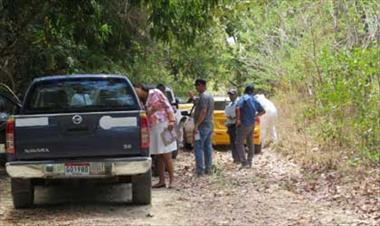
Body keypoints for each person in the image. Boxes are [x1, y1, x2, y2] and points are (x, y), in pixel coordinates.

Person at [134, 84, 177, 188]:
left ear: (140, 87)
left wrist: (172, 120)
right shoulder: (140, 101)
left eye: (136, 89)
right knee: (158, 155)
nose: (135, 92)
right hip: (153, 128)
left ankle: (172, 180)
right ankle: (162, 181)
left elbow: (168, 106)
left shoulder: (155, 93)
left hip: (165, 126)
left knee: (167, 155)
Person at [235, 84, 265, 169]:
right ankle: (250, 161)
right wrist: (255, 116)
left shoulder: (243, 98)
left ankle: (244, 162)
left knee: (238, 142)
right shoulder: (254, 99)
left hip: (244, 123)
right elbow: (263, 111)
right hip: (252, 124)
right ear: (252, 91)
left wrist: (238, 120)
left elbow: (237, 108)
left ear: (245, 90)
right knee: (250, 142)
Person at [193, 79, 214, 176]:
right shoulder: (209, 95)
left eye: (197, 86)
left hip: (202, 125)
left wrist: (197, 125)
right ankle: (208, 168)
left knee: (198, 147)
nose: (196, 88)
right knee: (207, 147)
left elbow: (203, 111)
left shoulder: (204, 96)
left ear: (201, 85)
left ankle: (200, 171)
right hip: (209, 124)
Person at [224, 88, 239, 163]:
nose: (230, 96)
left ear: (236, 95)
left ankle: (239, 158)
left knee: (237, 142)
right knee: (232, 143)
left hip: (236, 125)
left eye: (232, 94)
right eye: (230, 94)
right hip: (230, 125)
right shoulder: (229, 105)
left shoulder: (239, 103)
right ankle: (235, 158)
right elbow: (226, 114)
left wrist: (234, 117)